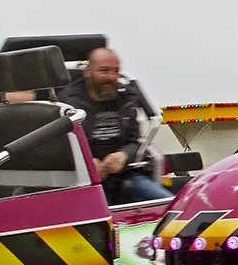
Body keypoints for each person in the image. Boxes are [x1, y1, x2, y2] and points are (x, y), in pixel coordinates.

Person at [58, 47, 172, 204]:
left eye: (115, 71)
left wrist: (123, 155)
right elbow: (59, 145)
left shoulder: (127, 96)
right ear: (87, 72)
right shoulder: (68, 101)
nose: (110, 77)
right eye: (103, 71)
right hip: (82, 179)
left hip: (124, 173)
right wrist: (86, 162)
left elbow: (134, 140)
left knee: (167, 203)